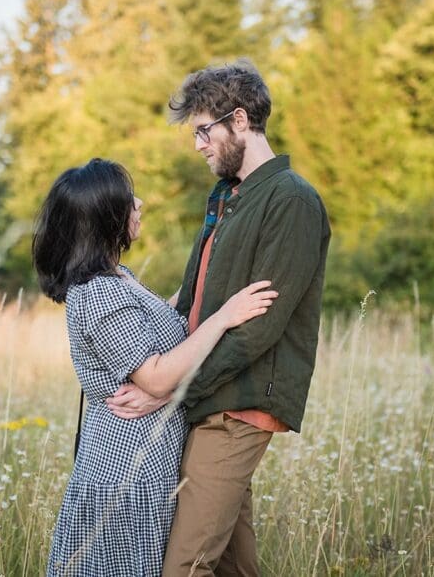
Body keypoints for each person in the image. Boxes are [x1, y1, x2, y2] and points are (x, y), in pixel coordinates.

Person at [33, 158, 279, 576]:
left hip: (144, 463)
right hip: (126, 473)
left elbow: (161, 328)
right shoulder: (98, 293)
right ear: (104, 219)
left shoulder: (117, 279)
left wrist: (213, 270)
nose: (140, 204)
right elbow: (157, 373)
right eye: (128, 201)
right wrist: (224, 317)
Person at [160, 60, 331, 576]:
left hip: (237, 408)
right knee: (236, 567)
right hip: (209, 400)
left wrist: (173, 390)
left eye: (203, 131)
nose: (198, 145)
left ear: (239, 120)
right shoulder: (228, 197)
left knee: (183, 568)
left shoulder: (291, 200)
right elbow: (191, 299)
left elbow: (260, 328)